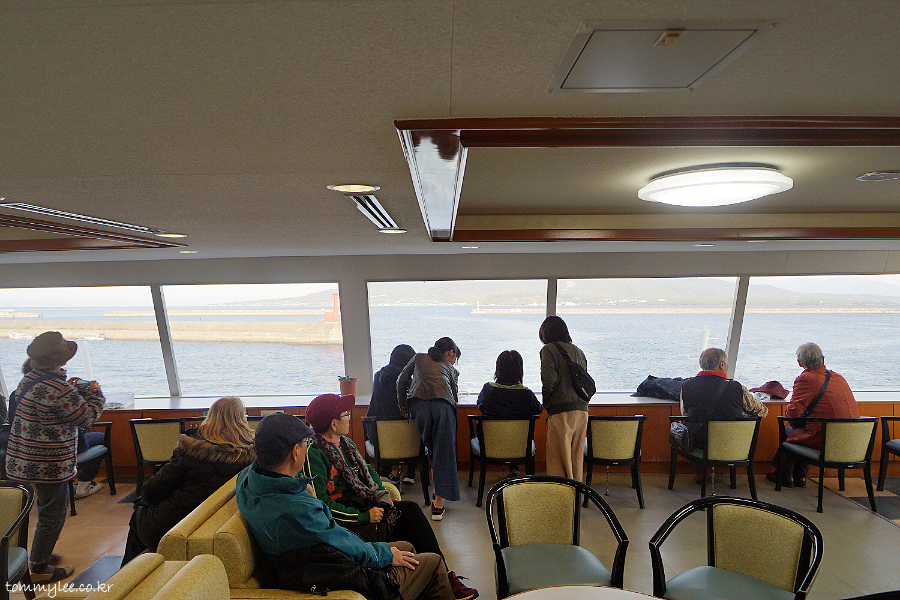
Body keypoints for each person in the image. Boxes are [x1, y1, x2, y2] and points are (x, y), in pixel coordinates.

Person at [236, 412, 453, 600]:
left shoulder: (247, 481)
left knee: (407, 548)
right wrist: (384, 554)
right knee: (433, 563)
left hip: (315, 562)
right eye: (303, 444)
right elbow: (341, 541)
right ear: (295, 452)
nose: (306, 448)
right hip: (333, 571)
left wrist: (300, 488)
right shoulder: (300, 510)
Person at [304, 393, 478, 600]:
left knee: (409, 510)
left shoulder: (346, 444)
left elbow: (369, 473)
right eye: (345, 414)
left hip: (364, 506)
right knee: (406, 522)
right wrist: (364, 516)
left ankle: (442, 576)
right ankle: (435, 578)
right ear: (334, 423)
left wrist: (382, 499)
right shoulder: (314, 454)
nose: (349, 417)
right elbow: (321, 507)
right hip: (348, 522)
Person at [5, 332, 106, 583]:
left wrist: (70, 390)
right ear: (59, 359)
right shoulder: (59, 388)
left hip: (22, 459)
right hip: (48, 464)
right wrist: (95, 394)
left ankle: (41, 553)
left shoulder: (28, 380)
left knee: (45, 510)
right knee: (53, 514)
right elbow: (85, 418)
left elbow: (51, 405)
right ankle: (40, 567)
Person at [121, 396, 256, 565]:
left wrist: (144, 499)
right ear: (242, 418)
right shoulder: (252, 453)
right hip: (215, 519)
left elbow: (153, 488)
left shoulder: (191, 449)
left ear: (211, 416)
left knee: (139, 511)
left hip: (178, 522)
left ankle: (131, 570)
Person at [767, 342, 860, 488]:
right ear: (822, 359)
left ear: (799, 363)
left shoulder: (807, 379)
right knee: (803, 431)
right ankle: (800, 476)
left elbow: (793, 413)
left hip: (827, 441)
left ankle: (785, 476)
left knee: (790, 431)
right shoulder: (838, 377)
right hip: (853, 441)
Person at [398, 337, 462, 521]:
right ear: (450, 353)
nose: (453, 362)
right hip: (443, 406)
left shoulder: (418, 357)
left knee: (432, 449)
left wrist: (405, 408)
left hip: (419, 405)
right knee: (443, 452)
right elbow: (454, 395)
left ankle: (436, 493)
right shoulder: (450, 368)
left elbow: (401, 381)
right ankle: (438, 504)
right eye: (455, 358)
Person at [680, 347, 768, 450]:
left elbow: (684, 412)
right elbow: (762, 412)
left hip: (698, 445)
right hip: (731, 446)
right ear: (722, 365)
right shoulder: (737, 387)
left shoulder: (686, 385)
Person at [476, 350, 542, 478]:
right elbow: (538, 410)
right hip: (520, 446)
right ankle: (516, 471)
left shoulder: (488, 389)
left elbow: (481, 405)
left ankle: (513, 470)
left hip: (489, 444)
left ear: (498, 368)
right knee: (515, 436)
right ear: (520, 370)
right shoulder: (526, 394)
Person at [538, 316, 588, 480]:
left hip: (561, 411)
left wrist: (547, 403)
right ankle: (576, 493)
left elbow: (548, 380)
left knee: (558, 461)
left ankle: (560, 494)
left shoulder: (548, 350)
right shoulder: (578, 351)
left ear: (545, 333)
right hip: (582, 411)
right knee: (575, 460)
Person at [367, 344, 418, 484]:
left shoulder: (378, 376)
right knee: (419, 424)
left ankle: (386, 470)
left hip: (381, 440)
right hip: (408, 441)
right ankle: (410, 472)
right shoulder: (409, 381)